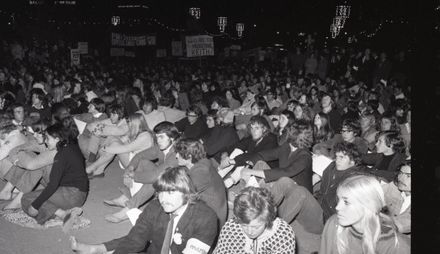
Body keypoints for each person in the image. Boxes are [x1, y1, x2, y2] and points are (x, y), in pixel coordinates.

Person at [71, 166, 219, 254]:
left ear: (186, 192)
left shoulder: (206, 218)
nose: (163, 199)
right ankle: (100, 249)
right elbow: (135, 239)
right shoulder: (156, 207)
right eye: (160, 192)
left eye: (171, 192)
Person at [103, 121, 180, 223]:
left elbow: (154, 177)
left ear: (172, 138)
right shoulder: (161, 147)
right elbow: (139, 155)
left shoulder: (176, 153)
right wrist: (129, 170)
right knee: (142, 162)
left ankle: (129, 208)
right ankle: (127, 197)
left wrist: (132, 175)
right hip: (166, 177)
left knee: (154, 180)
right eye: (157, 137)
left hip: (180, 186)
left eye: (161, 137)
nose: (158, 140)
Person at [21, 117, 89, 225]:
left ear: (57, 139)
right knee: (39, 197)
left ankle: (61, 214)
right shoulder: (71, 145)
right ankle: (62, 212)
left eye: (47, 138)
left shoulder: (61, 155)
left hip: (72, 195)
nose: (46, 141)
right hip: (78, 193)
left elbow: (53, 185)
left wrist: (35, 206)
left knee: (26, 199)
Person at [320, 175, 410, 254]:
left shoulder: (394, 245)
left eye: (346, 202)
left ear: (370, 205)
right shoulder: (334, 223)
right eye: (338, 199)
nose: (337, 207)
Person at [213, 186, 296, 254]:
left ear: (268, 219)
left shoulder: (283, 235)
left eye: (256, 227)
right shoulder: (231, 228)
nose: (249, 231)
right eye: (244, 225)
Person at [175, 138, 228, 227]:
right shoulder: (201, 163)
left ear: (189, 156)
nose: (176, 156)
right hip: (209, 209)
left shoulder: (200, 171)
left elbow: (183, 195)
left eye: (179, 154)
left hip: (211, 219)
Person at [316, 142, 368, 221]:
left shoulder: (354, 180)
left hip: (332, 215)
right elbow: (322, 191)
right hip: (320, 204)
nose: (337, 160)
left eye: (342, 157)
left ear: (353, 161)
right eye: (336, 156)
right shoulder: (331, 167)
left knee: (301, 193)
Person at [382, 162, 411, 234]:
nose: (400, 178)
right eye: (400, 173)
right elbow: (373, 192)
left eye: (408, 176)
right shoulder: (394, 187)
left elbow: (405, 222)